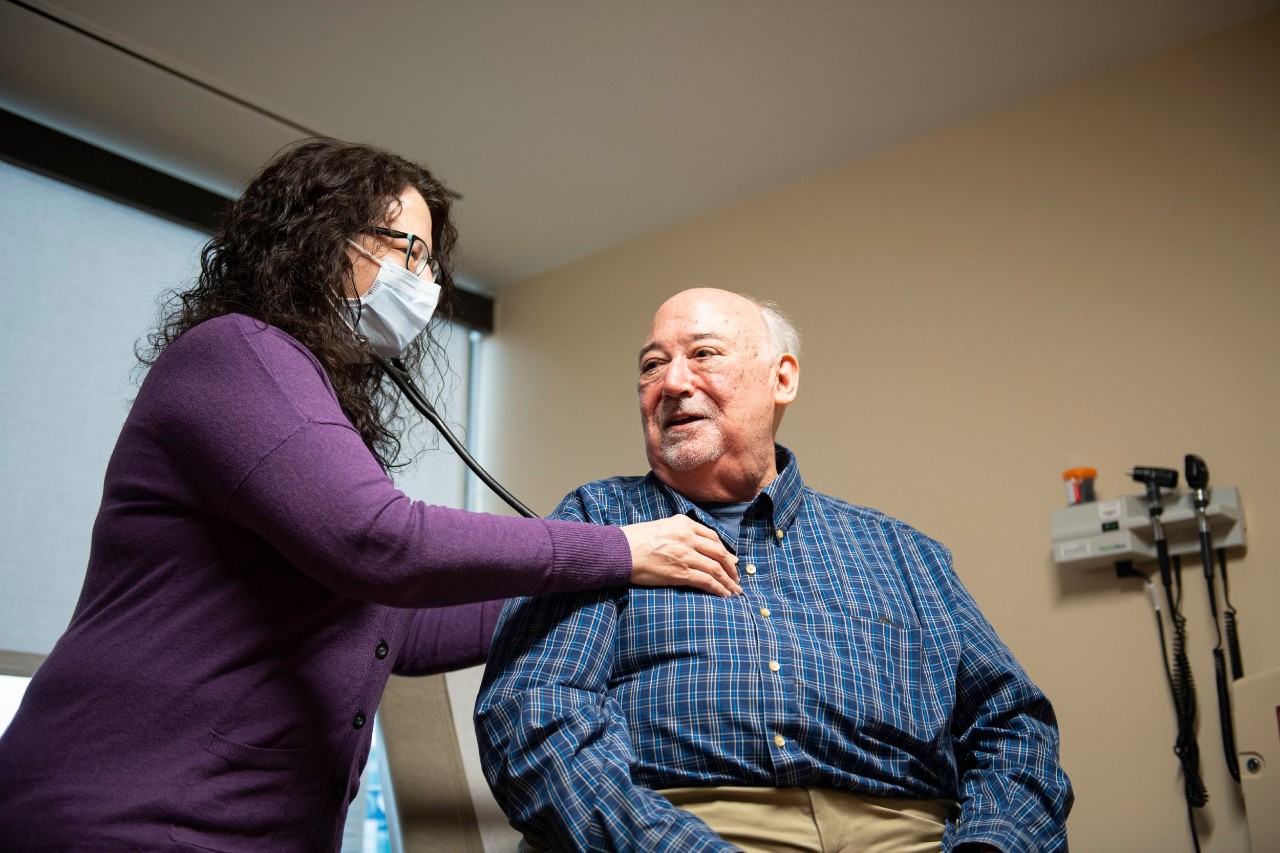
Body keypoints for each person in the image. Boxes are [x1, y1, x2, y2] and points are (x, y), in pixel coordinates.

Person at [0, 141, 740, 853]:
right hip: (120, 817)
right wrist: (616, 548)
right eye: (403, 248)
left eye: (428, 260)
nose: (423, 281)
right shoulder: (234, 352)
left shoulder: (304, 397)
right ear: (316, 239)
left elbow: (394, 629)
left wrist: (617, 587)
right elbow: (378, 541)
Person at [476, 288, 1072, 852]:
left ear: (781, 378)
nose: (673, 383)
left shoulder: (903, 552)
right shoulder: (600, 524)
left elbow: (1014, 728)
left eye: (704, 354)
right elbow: (534, 714)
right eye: (652, 366)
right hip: (685, 828)